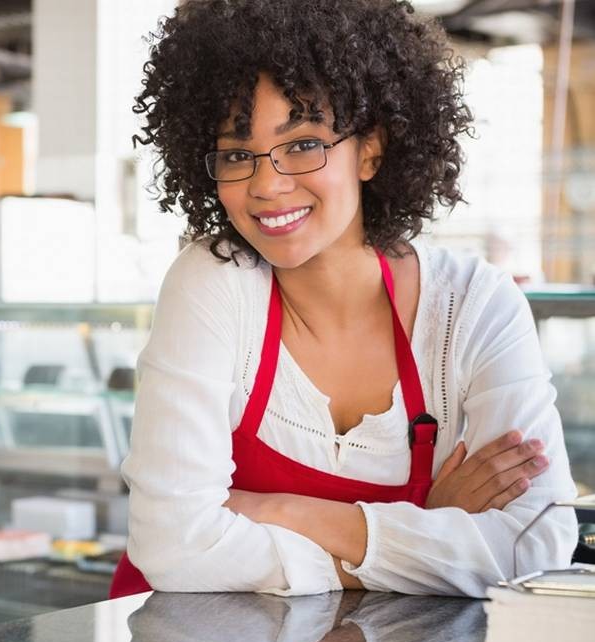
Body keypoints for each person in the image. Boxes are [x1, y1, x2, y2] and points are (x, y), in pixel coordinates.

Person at [109, 0, 580, 598]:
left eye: (303, 143)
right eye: (236, 154)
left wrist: (283, 511)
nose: (266, 184)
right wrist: (428, 538)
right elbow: (174, 547)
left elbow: (532, 544)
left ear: (371, 148)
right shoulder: (213, 280)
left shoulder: (474, 304)